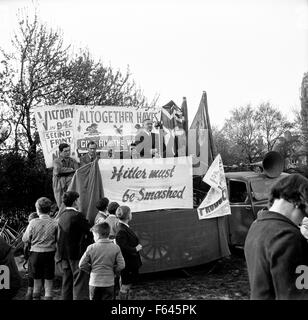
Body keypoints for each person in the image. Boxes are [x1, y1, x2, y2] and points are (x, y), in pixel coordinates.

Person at [244, 174, 308, 300]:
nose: (304, 217)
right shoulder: (290, 237)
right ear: (297, 201)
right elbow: (300, 293)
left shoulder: (256, 226)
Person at [56, 191, 92, 300]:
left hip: (63, 254)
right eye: (78, 199)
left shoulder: (61, 215)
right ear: (75, 201)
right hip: (76, 253)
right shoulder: (77, 215)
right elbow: (90, 230)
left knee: (67, 280)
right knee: (79, 280)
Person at [22, 197, 58, 300]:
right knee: (48, 281)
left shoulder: (33, 222)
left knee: (36, 281)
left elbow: (25, 239)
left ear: (37, 209)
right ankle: (48, 296)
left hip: (35, 255)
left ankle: (36, 296)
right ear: (49, 209)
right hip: (50, 254)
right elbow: (58, 238)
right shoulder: (55, 223)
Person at [79, 222, 125, 300]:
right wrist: (113, 270)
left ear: (97, 235)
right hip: (109, 282)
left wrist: (91, 269)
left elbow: (81, 264)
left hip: (94, 281)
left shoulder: (91, 248)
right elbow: (122, 265)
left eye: (93, 235)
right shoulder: (116, 248)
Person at [115, 206, 142, 300]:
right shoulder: (121, 230)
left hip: (129, 262)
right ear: (127, 216)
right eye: (130, 213)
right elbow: (123, 247)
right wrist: (135, 249)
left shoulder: (123, 227)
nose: (131, 214)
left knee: (126, 285)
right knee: (125, 286)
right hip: (127, 263)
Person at [53, 143, 79, 208]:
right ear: (60, 152)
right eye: (65, 151)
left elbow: (77, 169)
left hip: (70, 184)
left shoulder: (73, 160)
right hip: (59, 185)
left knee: (72, 203)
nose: (68, 152)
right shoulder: (56, 161)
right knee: (61, 205)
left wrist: (65, 170)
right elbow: (58, 171)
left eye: (68, 150)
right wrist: (71, 169)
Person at [23, 211, 39, 300]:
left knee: (30, 284)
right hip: (43, 255)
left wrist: (26, 258)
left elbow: (25, 247)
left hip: (32, 256)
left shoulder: (30, 229)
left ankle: (29, 295)